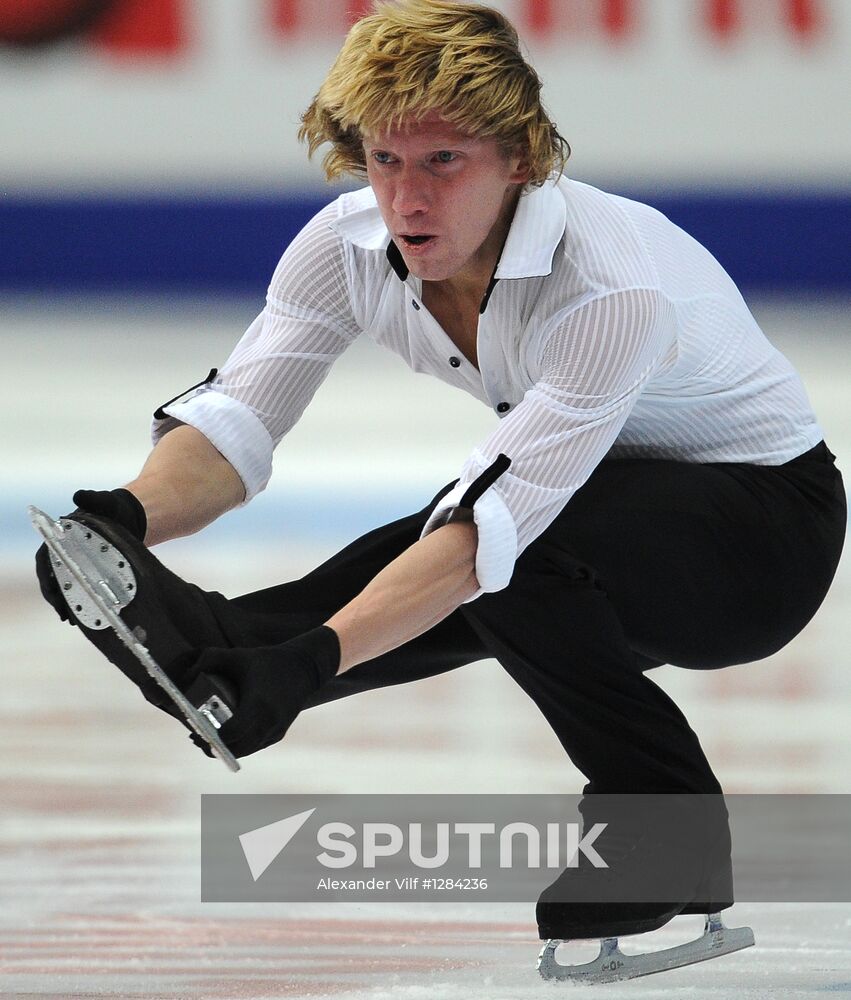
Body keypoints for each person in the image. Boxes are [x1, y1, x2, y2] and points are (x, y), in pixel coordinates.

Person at [36, 0, 845, 954]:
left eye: (444, 161)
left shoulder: (608, 285)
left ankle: (665, 827)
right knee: (485, 541)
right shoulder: (346, 250)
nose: (408, 199)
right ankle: (220, 650)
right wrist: (127, 521)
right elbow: (238, 419)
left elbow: (488, 530)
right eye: (385, 160)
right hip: (608, 508)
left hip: (761, 540)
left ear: (523, 160)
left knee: (505, 548)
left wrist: (310, 667)